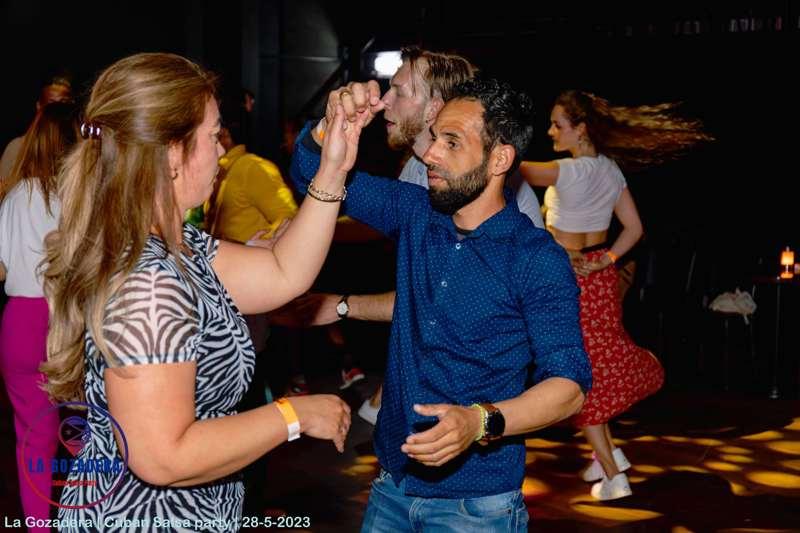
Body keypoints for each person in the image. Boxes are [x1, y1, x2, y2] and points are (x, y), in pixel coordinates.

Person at [40, 52, 359, 530]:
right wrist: (293, 414)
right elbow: (163, 457)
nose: (221, 151)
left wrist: (332, 169)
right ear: (173, 153)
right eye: (213, 136)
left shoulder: (180, 245)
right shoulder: (148, 281)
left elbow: (283, 271)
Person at [291, 77, 591, 532]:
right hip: (392, 487)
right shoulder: (416, 213)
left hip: (478, 507)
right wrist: (329, 126)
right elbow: (310, 172)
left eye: (451, 142)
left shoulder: (535, 258)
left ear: (500, 159)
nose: (430, 154)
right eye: (434, 138)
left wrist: (479, 422)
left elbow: (569, 387)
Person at [289, 47, 544, 424]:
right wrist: (331, 126)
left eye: (399, 91)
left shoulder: (499, 201)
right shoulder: (415, 177)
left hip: (474, 398)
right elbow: (314, 174)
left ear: (433, 108)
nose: (384, 101)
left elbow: (448, 301)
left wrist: (343, 306)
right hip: (427, 386)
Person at [518, 90, 711, 500]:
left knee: (580, 377)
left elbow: (511, 167)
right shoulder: (610, 170)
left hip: (569, 280)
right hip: (599, 277)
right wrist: (606, 260)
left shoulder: (567, 172)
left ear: (581, 129)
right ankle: (606, 456)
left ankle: (613, 476)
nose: (550, 131)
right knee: (595, 365)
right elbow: (635, 229)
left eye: (557, 124)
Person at [0, 101, 78, 531]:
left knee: (33, 436)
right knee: (90, 427)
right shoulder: (81, 196)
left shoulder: (15, 196)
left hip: (22, 321)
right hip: (71, 318)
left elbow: (2, 269)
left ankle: (38, 526)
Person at [0, 77, 73, 180]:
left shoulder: (80, 149)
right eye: (51, 104)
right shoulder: (17, 148)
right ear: (39, 106)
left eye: (63, 103)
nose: (57, 111)